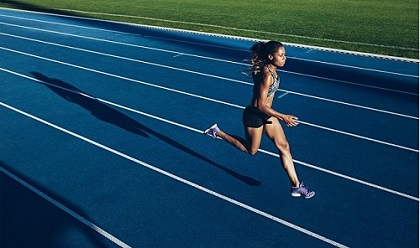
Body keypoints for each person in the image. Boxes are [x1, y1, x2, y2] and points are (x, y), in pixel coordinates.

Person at [204, 40, 315, 199]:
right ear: (271, 56)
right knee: (251, 150)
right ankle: (217, 132)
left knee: (284, 146)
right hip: (255, 116)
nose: (285, 58)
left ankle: (296, 186)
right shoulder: (267, 74)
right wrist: (283, 117)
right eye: (281, 55)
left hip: (267, 115)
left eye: (285, 55)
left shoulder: (271, 69)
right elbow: (261, 105)